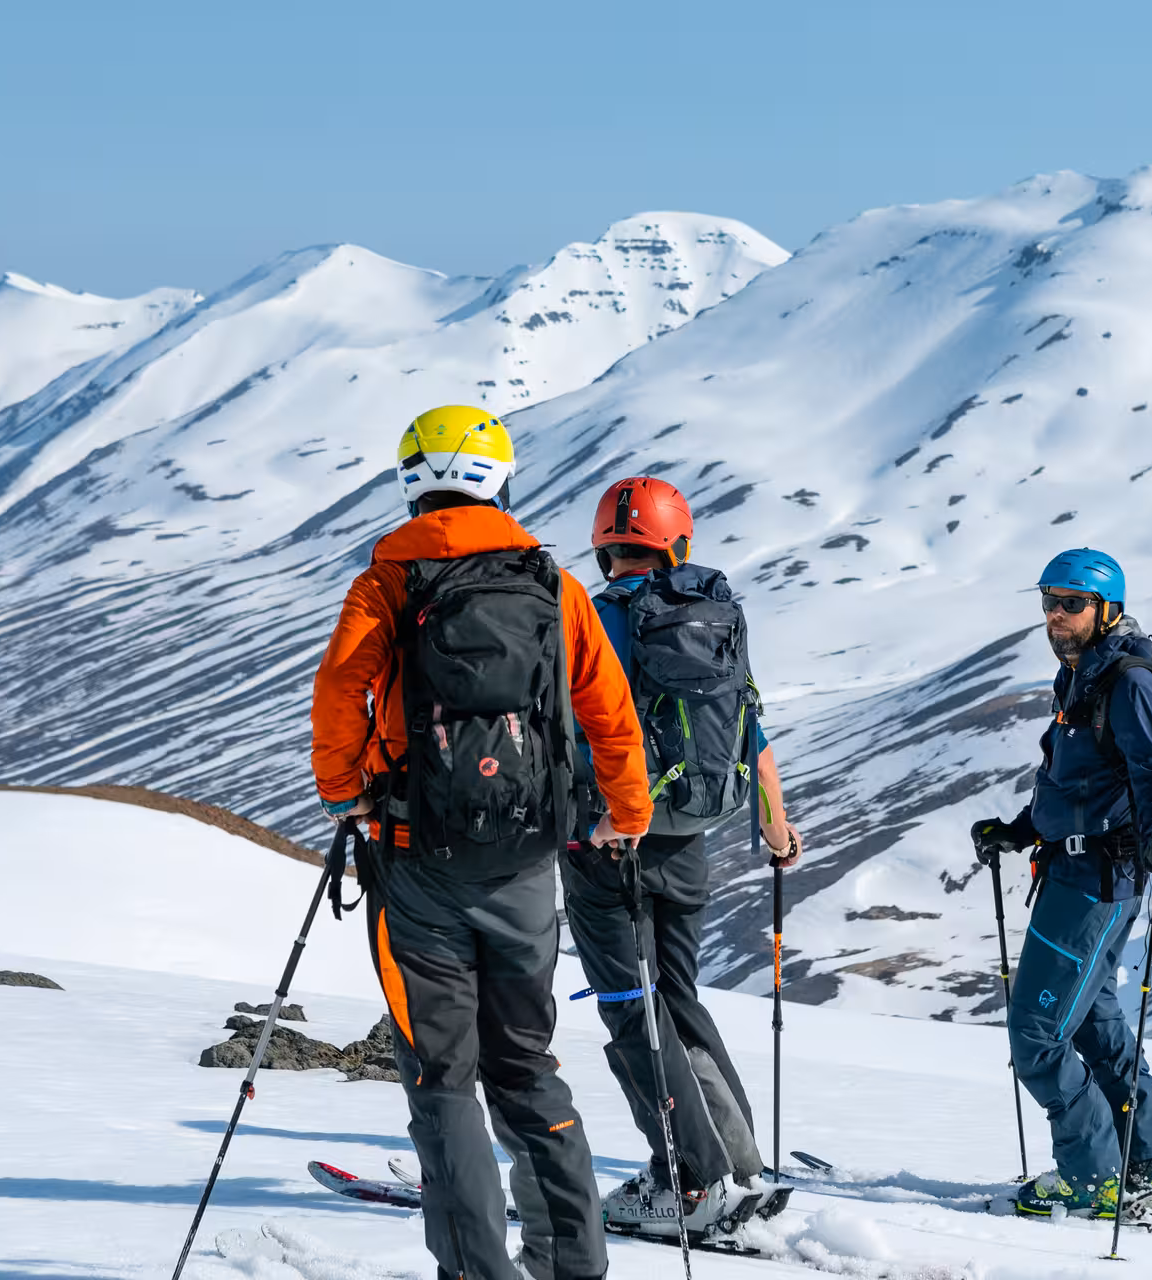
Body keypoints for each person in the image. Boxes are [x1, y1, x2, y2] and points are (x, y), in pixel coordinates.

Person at [310, 406, 654, 1280]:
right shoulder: (553, 585)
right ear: (501, 479)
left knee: (442, 1077)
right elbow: (608, 711)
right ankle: (571, 1265)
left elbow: (340, 688)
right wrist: (627, 812)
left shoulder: (389, 582)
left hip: (415, 858)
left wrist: (344, 789)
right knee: (526, 1066)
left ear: (412, 482)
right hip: (527, 861)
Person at [560, 475, 801, 1239]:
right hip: (690, 838)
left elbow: (572, 729)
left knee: (633, 1008)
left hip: (610, 840)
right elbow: (748, 725)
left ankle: (687, 1184)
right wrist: (777, 823)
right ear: (680, 544)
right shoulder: (716, 620)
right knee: (678, 997)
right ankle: (740, 1164)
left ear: (605, 550)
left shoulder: (598, 622)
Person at [969, 548, 1152, 1220]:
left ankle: (1092, 1179)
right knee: (1096, 1027)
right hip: (1079, 869)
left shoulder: (1127, 682)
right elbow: (1079, 780)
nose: (1056, 616)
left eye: (1072, 604)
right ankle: (1139, 1165)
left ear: (1108, 610)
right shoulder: (1082, 676)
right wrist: (1021, 828)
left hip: (1092, 883)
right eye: (1049, 602)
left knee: (1037, 1034)